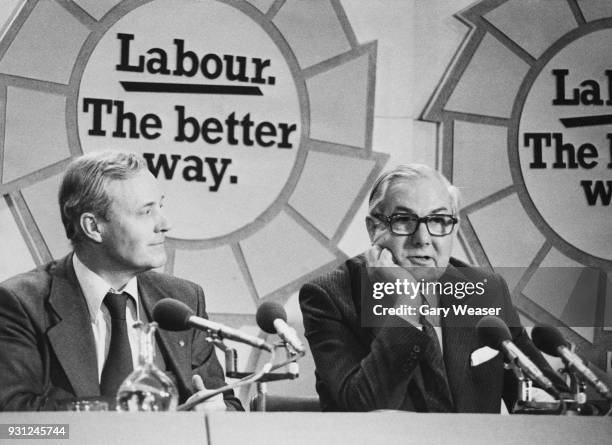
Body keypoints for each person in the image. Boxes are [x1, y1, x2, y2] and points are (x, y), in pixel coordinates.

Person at [299, 164, 566, 412]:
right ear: (374, 228)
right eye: (404, 219)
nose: (423, 239)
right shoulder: (330, 296)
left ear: (454, 228)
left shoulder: (485, 291)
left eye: (438, 220)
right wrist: (407, 303)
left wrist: (548, 403)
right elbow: (363, 407)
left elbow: (548, 392)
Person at [0, 151, 242, 411]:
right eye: (145, 211)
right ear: (93, 227)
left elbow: (228, 404)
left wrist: (218, 413)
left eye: (160, 206)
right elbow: (14, 422)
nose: (164, 224)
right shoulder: (21, 304)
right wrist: (136, 412)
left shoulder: (182, 301)